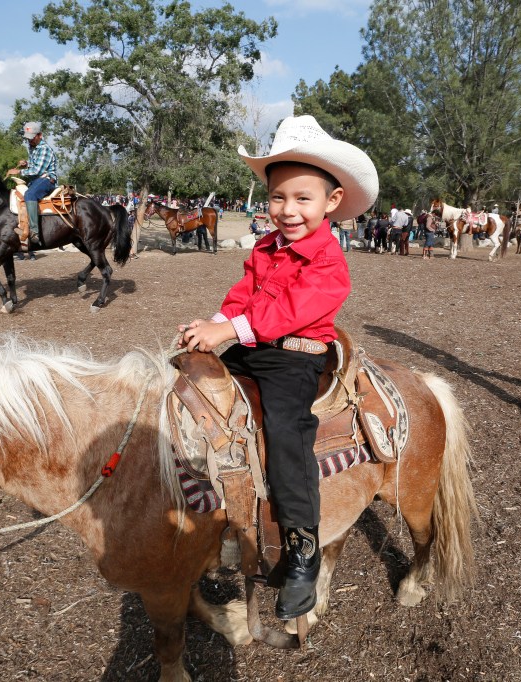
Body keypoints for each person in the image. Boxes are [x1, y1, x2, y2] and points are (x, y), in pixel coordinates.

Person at [178, 115, 378, 620]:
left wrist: (228, 331)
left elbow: (285, 313)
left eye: (302, 198)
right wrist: (215, 321)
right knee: (190, 392)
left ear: (331, 202)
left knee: (287, 432)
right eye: (277, 197)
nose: (287, 211)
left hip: (294, 357)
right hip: (250, 342)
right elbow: (244, 294)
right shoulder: (266, 246)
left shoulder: (329, 262)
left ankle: (302, 548)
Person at [6, 121, 58, 247]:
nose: (29, 141)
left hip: (47, 180)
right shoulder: (33, 147)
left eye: (32, 138)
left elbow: (38, 170)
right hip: (36, 180)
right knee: (18, 193)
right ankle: (22, 224)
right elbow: (34, 165)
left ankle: (34, 232)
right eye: (28, 138)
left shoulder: (45, 149)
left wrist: (18, 171)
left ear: (39, 135)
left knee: (30, 195)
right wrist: (27, 163)